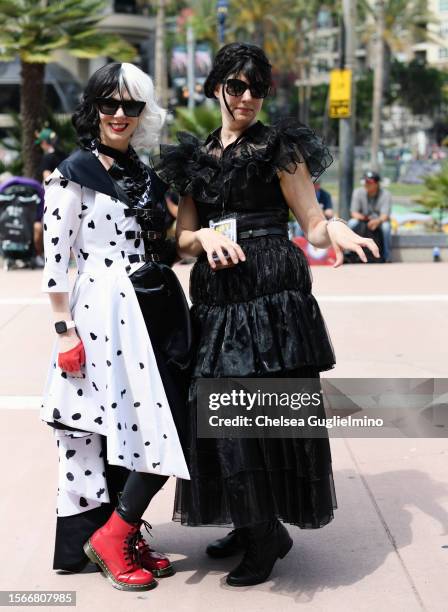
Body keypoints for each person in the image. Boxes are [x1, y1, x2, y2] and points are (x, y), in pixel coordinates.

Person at [156, 43, 379, 587]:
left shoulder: (279, 147)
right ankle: (254, 523)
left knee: (267, 417)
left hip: (272, 293)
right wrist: (203, 233)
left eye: (258, 88)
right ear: (216, 89)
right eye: (237, 86)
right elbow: (182, 239)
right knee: (221, 418)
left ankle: (262, 531)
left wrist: (338, 231)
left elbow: (312, 220)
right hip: (217, 295)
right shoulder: (196, 157)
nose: (248, 97)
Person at [40, 62, 190, 592]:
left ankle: (120, 532)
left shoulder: (145, 174)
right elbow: (57, 261)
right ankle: (104, 538)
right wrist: (64, 331)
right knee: (104, 424)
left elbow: (167, 241)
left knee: (144, 419)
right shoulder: (72, 173)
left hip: (149, 307)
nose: (120, 115)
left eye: (131, 106)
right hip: (99, 311)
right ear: (94, 108)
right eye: (110, 104)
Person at [349, 170, 392, 262]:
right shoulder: (358, 192)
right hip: (363, 220)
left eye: (370, 182)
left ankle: (386, 256)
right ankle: (348, 252)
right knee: (352, 223)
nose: (366, 184)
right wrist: (366, 219)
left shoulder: (385, 194)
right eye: (365, 181)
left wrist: (377, 221)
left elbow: (385, 216)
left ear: (377, 183)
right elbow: (354, 213)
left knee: (386, 227)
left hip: (379, 221)